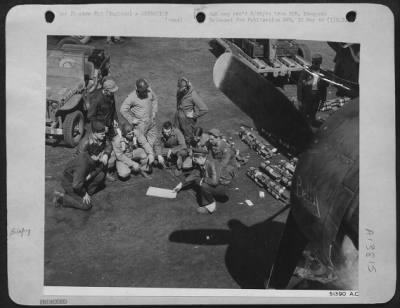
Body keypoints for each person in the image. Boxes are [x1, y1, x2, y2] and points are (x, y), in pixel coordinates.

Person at [173, 148, 228, 214]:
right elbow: (194, 174)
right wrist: (181, 184)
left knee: (203, 185)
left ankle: (210, 207)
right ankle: (208, 194)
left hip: (222, 187)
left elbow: (215, 182)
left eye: (195, 158)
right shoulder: (203, 162)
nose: (194, 160)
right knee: (198, 181)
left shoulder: (212, 164)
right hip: (214, 184)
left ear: (201, 157)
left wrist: (203, 179)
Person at [53, 143, 106, 210]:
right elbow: (76, 185)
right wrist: (84, 194)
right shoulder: (82, 166)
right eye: (101, 155)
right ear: (94, 156)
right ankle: (61, 198)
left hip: (80, 178)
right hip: (70, 183)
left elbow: (100, 166)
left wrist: (91, 174)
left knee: (100, 175)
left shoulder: (89, 156)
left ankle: (84, 194)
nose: (102, 156)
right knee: (87, 205)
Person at [120, 78, 158, 148]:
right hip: (141, 124)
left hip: (151, 120)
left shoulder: (149, 91)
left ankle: (151, 155)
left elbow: (154, 99)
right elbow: (123, 109)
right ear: (138, 90)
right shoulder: (132, 97)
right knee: (141, 143)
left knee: (153, 141)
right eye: (143, 91)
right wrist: (131, 120)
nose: (145, 92)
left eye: (145, 90)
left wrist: (154, 112)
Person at [173, 77, 208, 144]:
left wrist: (193, 115)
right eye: (178, 88)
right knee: (176, 134)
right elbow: (178, 104)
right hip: (178, 116)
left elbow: (205, 109)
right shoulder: (179, 92)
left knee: (187, 138)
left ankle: (189, 151)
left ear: (186, 87)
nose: (179, 90)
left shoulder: (193, 95)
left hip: (187, 119)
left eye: (181, 88)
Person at [297, 53, 328, 127]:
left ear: (320, 63)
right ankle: (303, 126)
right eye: (314, 63)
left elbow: (324, 89)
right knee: (303, 115)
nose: (315, 65)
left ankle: (312, 121)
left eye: (317, 64)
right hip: (306, 99)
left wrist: (323, 101)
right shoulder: (306, 72)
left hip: (316, 99)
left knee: (313, 113)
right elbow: (300, 86)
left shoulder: (323, 74)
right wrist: (299, 100)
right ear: (312, 62)